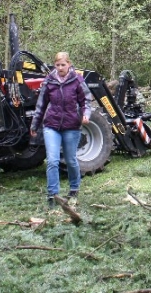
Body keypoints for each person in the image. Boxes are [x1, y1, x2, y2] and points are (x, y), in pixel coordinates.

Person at [30, 52, 91, 209]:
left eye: (63, 65)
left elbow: (86, 100)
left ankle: (74, 188)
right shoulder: (49, 81)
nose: (60, 68)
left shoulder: (77, 80)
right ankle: (52, 195)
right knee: (52, 160)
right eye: (57, 65)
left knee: (70, 160)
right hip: (52, 125)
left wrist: (86, 114)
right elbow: (41, 105)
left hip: (71, 126)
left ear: (69, 64)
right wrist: (34, 125)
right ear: (54, 66)